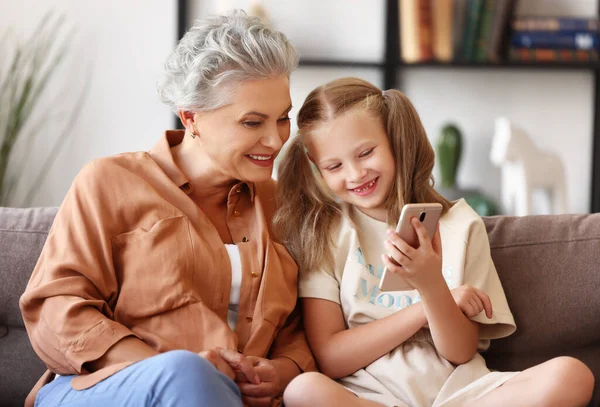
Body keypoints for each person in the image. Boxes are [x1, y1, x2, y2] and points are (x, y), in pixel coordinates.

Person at [19, 10, 315, 407]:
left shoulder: (280, 205)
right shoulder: (109, 182)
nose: (275, 140)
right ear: (191, 117)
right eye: (252, 123)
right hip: (111, 387)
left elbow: (297, 327)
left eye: (282, 119)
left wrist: (280, 373)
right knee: (187, 375)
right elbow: (58, 309)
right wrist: (171, 368)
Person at [275, 77, 594, 407]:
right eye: (335, 166)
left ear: (395, 141)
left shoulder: (460, 225)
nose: (355, 174)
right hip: (370, 397)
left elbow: (459, 353)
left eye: (366, 153)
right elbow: (330, 357)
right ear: (317, 167)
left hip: (462, 394)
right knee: (304, 390)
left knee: (571, 375)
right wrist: (419, 311)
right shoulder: (324, 233)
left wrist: (432, 286)